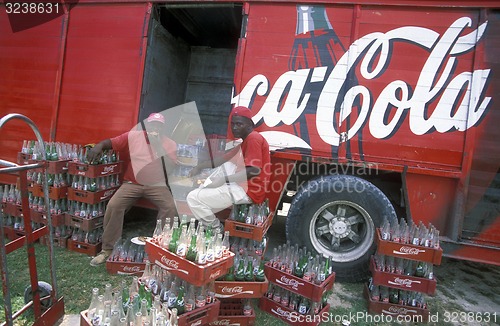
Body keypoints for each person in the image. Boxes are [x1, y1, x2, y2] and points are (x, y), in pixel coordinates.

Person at [88, 112, 178, 266]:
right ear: (147, 126)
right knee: (114, 206)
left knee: (170, 208)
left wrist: (158, 147)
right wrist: (99, 146)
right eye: (152, 125)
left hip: (157, 184)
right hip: (132, 183)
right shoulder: (134, 136)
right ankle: (107, 249)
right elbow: (111, 142)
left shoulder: (169, 143)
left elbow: (170, 168)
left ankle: (162, 248)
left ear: (163, 129)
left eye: (158, 126)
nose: (154, 128)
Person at [186, 106, 271, 231]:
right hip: (242, 186)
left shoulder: (254, 138)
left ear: (249, 125)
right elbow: (222, 159)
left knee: (192, 198)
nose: (234, 127)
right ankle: (206, 192)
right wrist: (200, 167)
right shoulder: (246, 141)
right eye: (232, 124)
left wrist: (222, 180)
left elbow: (254, 170)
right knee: (226, 165)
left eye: (239, 124)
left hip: (249, 191)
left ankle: (215, 230)